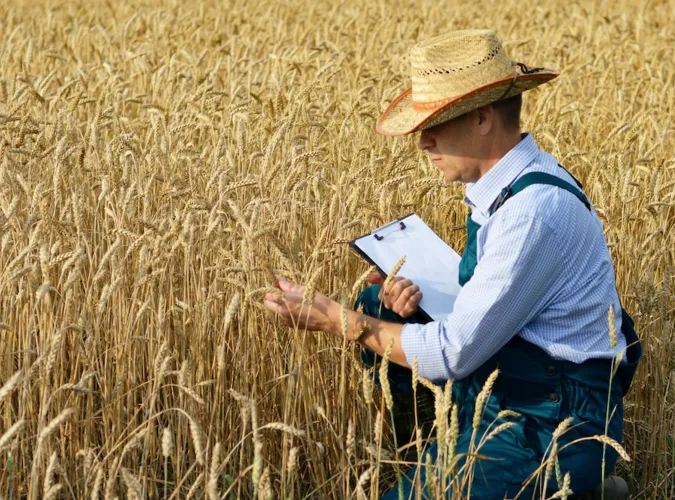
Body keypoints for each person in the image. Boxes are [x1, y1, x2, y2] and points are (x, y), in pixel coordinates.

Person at [262, 29, 642, 499]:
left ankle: (572, 480)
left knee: (363, 318)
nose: (423, 143)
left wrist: (334, 319)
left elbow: (453, 353)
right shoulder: (507, 185)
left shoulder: (530, 213)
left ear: (482, 118)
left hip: (553, 421)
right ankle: (445, 454)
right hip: (520, 388)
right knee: (380, 304)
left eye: (435, 125)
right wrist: (413, 297)